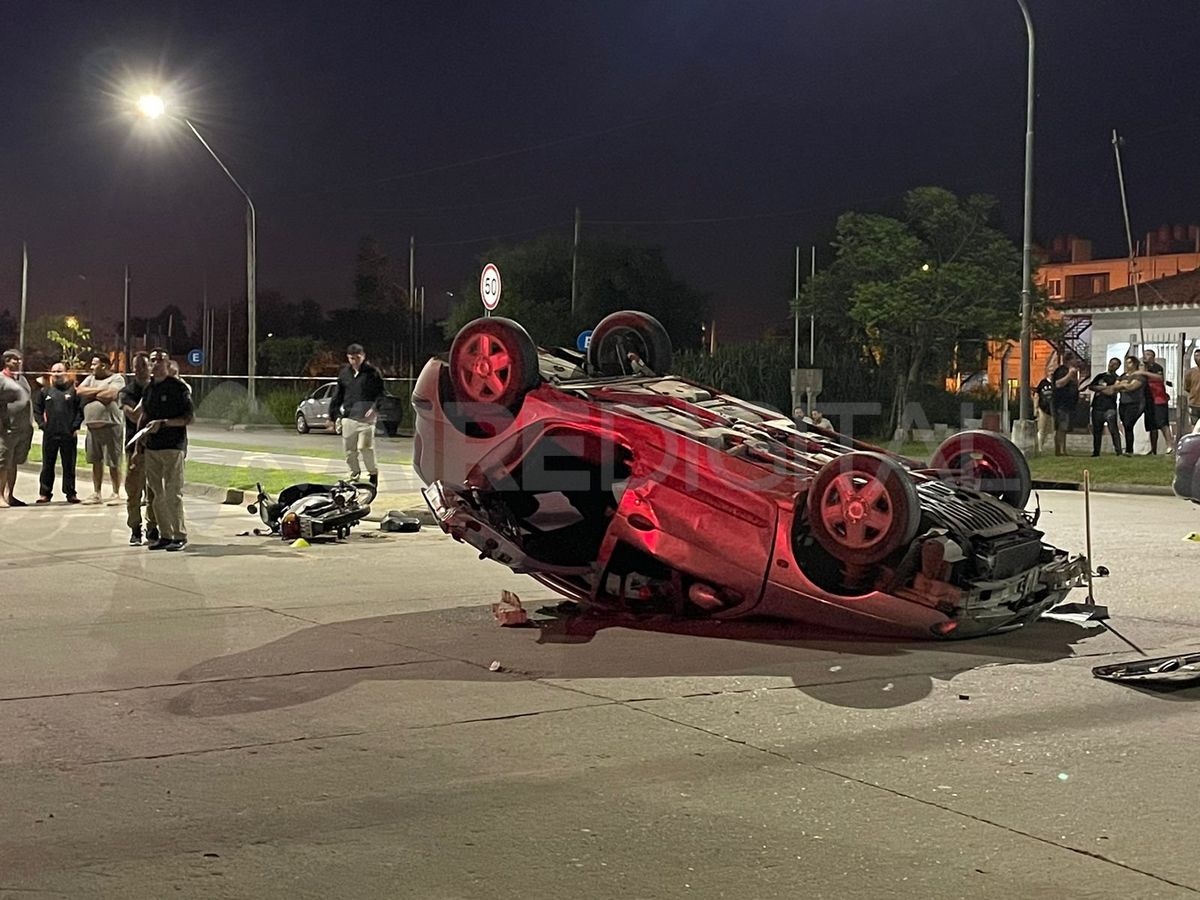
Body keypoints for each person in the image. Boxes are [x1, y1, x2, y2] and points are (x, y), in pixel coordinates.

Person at [134, 348, 193, 551]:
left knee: (172, 492)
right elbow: (144, 416)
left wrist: (165, 423)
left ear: (168, 364)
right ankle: (165, 534)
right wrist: (138, 444)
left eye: (161, 360)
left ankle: (179, 535)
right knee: (156, 494)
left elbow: (188, 418)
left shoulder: (178, 388)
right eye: (153, 360)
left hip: (172, 446)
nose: (156, 363)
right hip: (152, 447)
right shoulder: (149, 389)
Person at [328, 342, 384, 486]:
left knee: (365, 448)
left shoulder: (372, 373)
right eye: (352, 358)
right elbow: (338, 395)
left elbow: (381, 394)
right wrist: (333, 416)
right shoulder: (344, 374)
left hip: (366, 419)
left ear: (363, 356)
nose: (355, 361)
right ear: (348, 358)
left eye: (358, 357)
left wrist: (375, 409)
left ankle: (373, 473)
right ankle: (354, 475)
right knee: (349, 451)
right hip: (349, 417)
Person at [76, 353, 126, 503]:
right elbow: (79, 391)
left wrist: (91, 394)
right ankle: (97, 493)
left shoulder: (117, 378)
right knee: (95, 461)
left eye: (94, 364)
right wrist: (99, 392)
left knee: (113, 461)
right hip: (92, 428)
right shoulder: (91, 378)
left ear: (103, 365)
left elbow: (110, 395)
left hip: (111, 426)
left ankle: (116, 493)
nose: (91, 367)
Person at [33, 362, 83, 503]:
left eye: (59, 371)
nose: (56, 374)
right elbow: (37, 410)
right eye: (54, 371)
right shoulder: (45, 391)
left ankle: (70, 493)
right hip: (50, 434)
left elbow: (80, 411)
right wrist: (42, 425)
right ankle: (45, 493)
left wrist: (75, 427)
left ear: (66, 373)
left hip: (69, 434)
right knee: (47, 465)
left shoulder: (73, 391)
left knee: (69, 465)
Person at [120, 352, 157, 545]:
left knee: (154, 492)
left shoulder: (158, 388)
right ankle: (135, 528)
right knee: (134, 491)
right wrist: (148, 398)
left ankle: (153, 528)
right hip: (133, 446)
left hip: (156, 446)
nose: (139, 370)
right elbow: (134, 416)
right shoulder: (127, 392)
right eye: (136, 366)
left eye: (143, 365)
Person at [0, 349, 35, 507]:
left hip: (23, 429)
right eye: (14, 360)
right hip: (6, 429)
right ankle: (0, 496)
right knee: (2, 463)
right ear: (6, 361)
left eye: (19, 359)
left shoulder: (22, 380)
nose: (18, 362)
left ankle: (10, 495)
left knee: (13, 463)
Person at [1084, 357, 1122, 457]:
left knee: (1113, 429)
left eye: (1114, 364)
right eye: (1111, 363)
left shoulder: (1117, 378)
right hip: (1097, 406)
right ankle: (1096, 451)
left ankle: (1118, 450)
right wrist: (1104, 388)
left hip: (1109, 407)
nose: (1111, 365)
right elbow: (1091, 386)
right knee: (1097, 431)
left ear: (1118, 367)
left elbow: (1112, 391)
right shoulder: (1100, 376)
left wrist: (1101, 389)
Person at [1140, 348, 1174, 454]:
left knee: (1163, 423)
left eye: (1149, 354)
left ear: (1153, 357)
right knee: (1152, 426)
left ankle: (1170, 445)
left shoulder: (1157, 367)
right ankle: (1153, 449)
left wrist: (1145, 373)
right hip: (1148, 400)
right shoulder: (1142, 368)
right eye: (1145, 354)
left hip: (1159, 399)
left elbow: (1159, 378)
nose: (1146, 356)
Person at [1113, 355, 1147, 456]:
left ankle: (1129, 449)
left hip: (1135, 403)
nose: (1127, 365)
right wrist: (1123, 385)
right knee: (1126, 425)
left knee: (1129, 424)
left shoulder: (1139, 376)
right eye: (1126, 362)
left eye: (1129, 362)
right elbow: (1115, 386)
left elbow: (1132, 387)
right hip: (1123, 403)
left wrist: (1123, 385)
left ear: (1135, 364)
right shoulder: (1123, 375)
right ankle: (1128, 449)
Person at [1050, 351, 1081, 456]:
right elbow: (1058, 384)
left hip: (1069, 404)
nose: (1076, 361)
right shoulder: (1062, 370)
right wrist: (1069, 375)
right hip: (1061, 404)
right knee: (1061, 427)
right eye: (1074, 359)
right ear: (1069, 360)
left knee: (1065, 427)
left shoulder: (1073, 372)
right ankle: (1060, 450)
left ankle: (1063, 448)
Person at [1034, 375, 1055, 453]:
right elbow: (1037, 395)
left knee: (1051, 429)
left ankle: (1049, 446)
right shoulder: (1043, 383)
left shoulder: (1057, 383)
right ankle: (1039, 447)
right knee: (1041, 429)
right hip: (1043, 409)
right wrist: (1035, 408)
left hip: (1053, 410)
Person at [1184, 347, 1200, 431]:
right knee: (1195, 426)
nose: (1197, 358)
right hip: (1194, 403)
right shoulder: (1190, 372)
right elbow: (1187, 387)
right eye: (1196, 356)